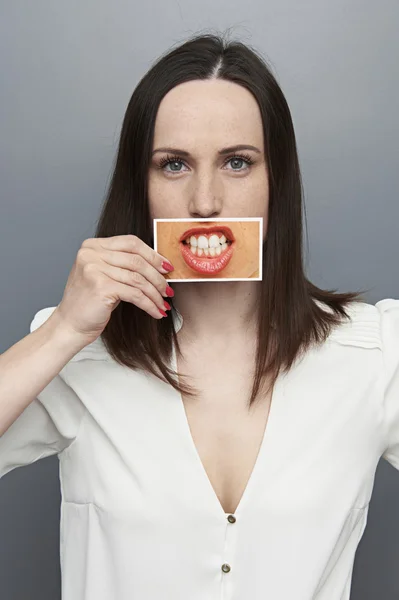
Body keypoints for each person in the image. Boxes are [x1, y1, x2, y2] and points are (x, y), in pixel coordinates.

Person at [0, 31, 398, 600]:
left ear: (275, 182)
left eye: (237, 163)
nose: (205, 201)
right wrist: (64, 330)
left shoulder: (375, 354)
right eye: (174, 165)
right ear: (142, 185)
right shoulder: (77, 353)